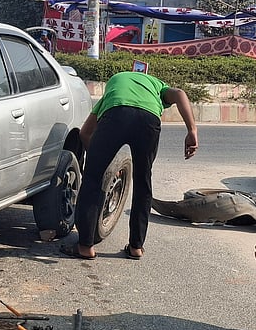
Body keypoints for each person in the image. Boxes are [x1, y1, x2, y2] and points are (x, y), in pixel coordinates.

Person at [60, 71, 199, 260]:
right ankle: (136, 247)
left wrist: (97, 161)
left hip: (116, 114)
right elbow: (180, 93)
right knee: (143, 182)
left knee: (92, 180)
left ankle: (85, 246)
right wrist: (192, 130)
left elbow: (85, 133)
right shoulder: (157, 86)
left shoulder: (115, 86)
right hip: (148, 120)